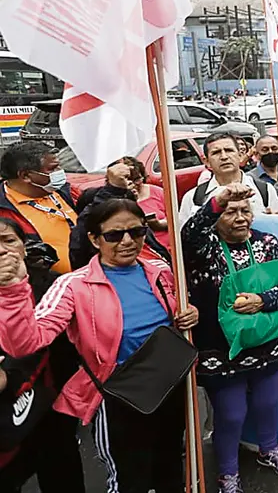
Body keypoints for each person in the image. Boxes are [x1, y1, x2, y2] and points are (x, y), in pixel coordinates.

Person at [0, 199, 199, 492]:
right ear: (94, 239)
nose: (128, 241)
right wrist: (13, 292)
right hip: (118, 395)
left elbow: (176, 315)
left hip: (170, 385)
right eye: (114, 235)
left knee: (170, 464)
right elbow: (27, 343)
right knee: (129, 478)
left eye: (137, 232)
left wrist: (189, 312)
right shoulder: (72, 286)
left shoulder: (160, 269)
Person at [182, 184, 278, 492]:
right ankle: (228, 472)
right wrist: (215, 203)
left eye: (244, 211)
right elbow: (188, 234)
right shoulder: (203, 247)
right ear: (217, 216)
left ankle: (269, 449)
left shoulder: (269, 243)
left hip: (266, 342)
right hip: (220, 350)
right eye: (230, 212)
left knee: (268, 402)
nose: (239, 218)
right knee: (232, 414)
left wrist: (263, 300)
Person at [0, 219, 84, 493]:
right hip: (6, 414)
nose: (2, 251)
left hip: (51, 399)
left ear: (24, 247)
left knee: (61, 470)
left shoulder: (53, 286)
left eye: (8, 241)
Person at [0, 142, 77, 274]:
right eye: (52, 169)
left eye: (59, 167)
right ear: (26, 176)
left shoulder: (65, 192)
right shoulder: (4, 210)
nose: (60, 173)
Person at [179, 133, 278, 226]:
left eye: (229, 150)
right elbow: (184, 238)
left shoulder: (264, 190)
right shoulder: (194, 197)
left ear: (240, 155)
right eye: (216, 153)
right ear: (206, 161)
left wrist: (274, 221)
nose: (224, 157)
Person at [248, 136, 278, 202]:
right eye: (265, 150)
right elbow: (264, 201)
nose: (270, 152)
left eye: (274, 148)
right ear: (256, 154)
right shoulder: (250, 178)